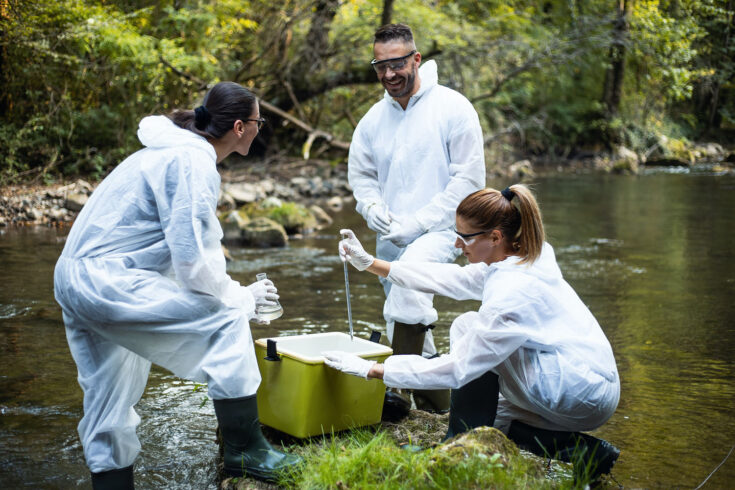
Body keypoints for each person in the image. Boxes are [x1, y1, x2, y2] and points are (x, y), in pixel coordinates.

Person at [53, 82, 301, 488]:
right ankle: (245, 451)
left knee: (107, 397)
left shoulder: (171, 151)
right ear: (240, 127)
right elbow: (193, 263)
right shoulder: (190, 161)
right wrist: (242, 298)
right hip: (109, 281)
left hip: (78, 279)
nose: (261, 128)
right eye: (260, 122)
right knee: (226, 319)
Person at [326, 185, 621, 484]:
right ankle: (585, 452)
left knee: (468, 331)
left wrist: (373, 369)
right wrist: (372, 264)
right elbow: (454, 279)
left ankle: (457, 441)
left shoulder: (512, 294)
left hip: (579, 391)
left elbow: (459, 369)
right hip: (584, 377)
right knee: (492, 417)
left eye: (465, 237)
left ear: (495, 237)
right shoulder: (523, 254)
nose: (456, 244)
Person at [348, 23, 485, 413]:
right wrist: (370, 207)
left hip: (445, 230)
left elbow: (470, 180)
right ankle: (438, 408)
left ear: (416, 59)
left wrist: (420, 222)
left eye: (397, 63)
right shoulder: (373, 120)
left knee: (408, 289)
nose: (389, 74)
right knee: (404, 317)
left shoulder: (453, 108)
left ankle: (394, 393)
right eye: (380, 65)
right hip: (389, 235)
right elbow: (361, 176)